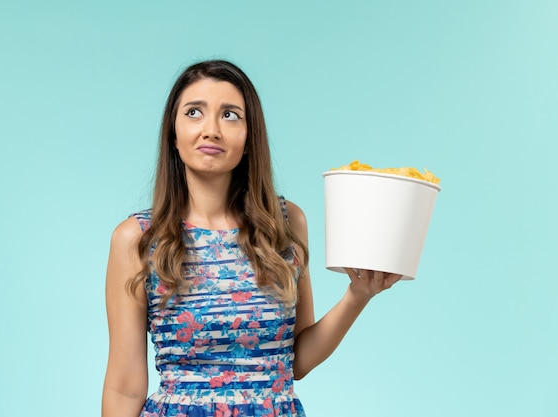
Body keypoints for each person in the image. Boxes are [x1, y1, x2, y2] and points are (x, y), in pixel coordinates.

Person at [101, 59, 401, 417]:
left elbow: (298, 361)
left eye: (230, 115)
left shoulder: (286, 223)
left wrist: (358, 294)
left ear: (249, 138)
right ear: (173, 134)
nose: (211, 129)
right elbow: (124, 386)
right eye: (194, 112)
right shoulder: (137, 238)